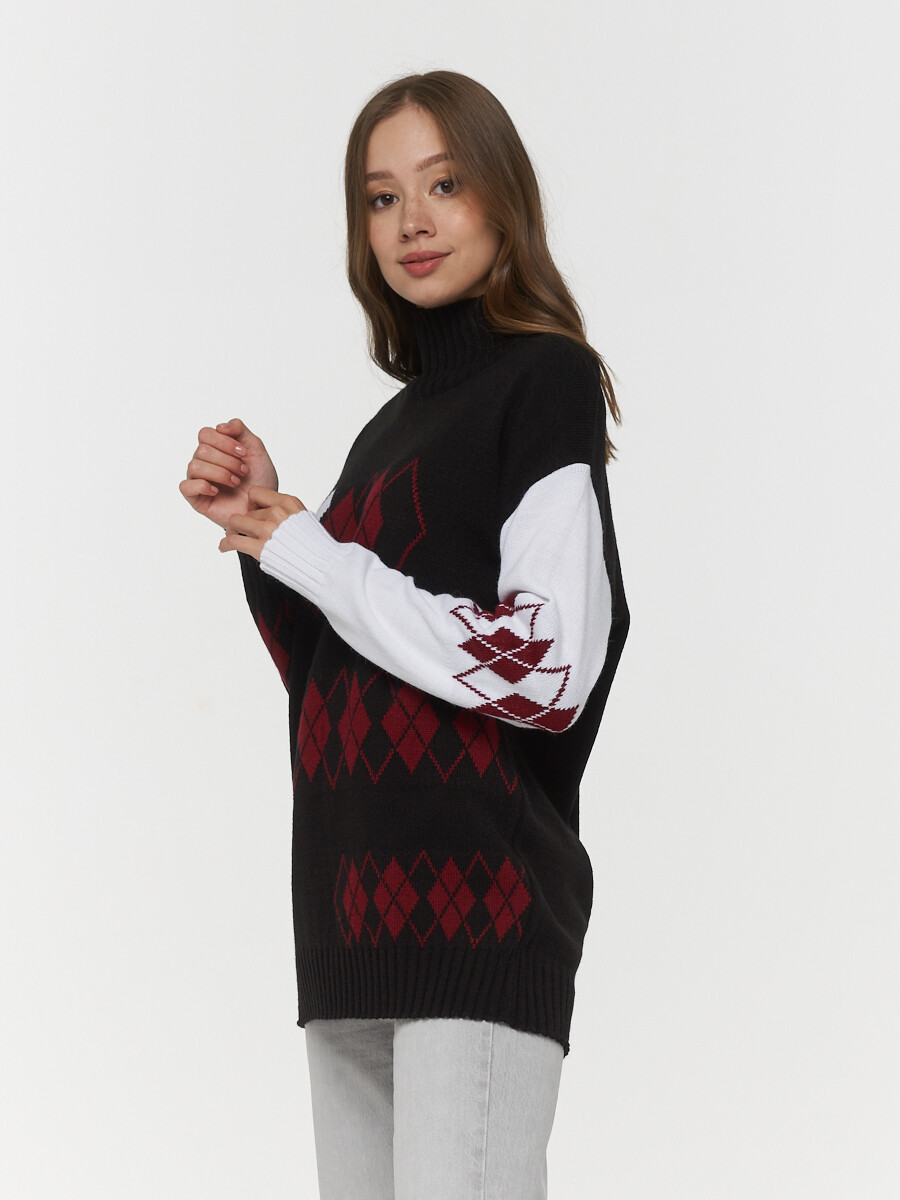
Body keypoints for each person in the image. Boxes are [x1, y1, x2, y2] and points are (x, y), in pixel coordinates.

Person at [180, 69, 629, 1200]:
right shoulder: (390, 429)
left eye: (445, 184)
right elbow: (337, 675)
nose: (412, 221)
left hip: (479, 919)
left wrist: (317, 552)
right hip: (349, 920)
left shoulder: (546, 382)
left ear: (504, 200)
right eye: (382, 198)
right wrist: (268, 535)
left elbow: (542, 670)